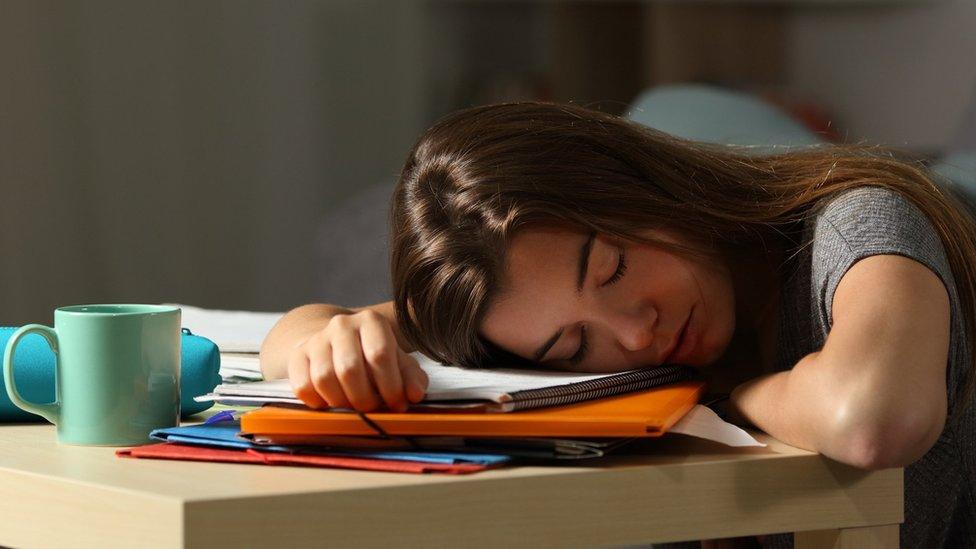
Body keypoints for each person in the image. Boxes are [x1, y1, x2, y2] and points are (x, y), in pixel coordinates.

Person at [260, 100, 976, 547]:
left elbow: (873, 419)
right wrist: (324, 339)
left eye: (612, 270)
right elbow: (303, 338)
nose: (635, 338)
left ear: (640, 185)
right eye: (572, 343)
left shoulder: (858, 226)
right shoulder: (530, 321)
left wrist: (730, 398)